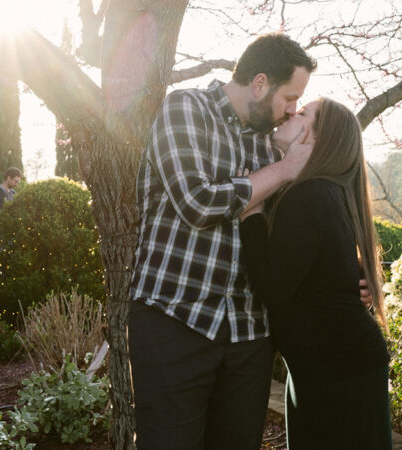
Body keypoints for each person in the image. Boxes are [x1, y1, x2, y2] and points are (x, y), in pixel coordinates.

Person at [128, 33, 317, 450]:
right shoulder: (184, 108)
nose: (293, 109)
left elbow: (298, 232)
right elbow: (198, 203)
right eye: (290, 97)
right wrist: (284, 172)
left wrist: (349, 277)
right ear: (260, 83)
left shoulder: (274, 142)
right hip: (174, 318)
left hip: (249, 332)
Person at [240, 98, 392, 450]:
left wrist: (251, 212)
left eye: (304, 113)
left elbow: (272, 287)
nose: (292, 112)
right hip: (328, 368)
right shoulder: (321, 192)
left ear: (317, 139)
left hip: (338, 371)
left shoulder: (309, 194)